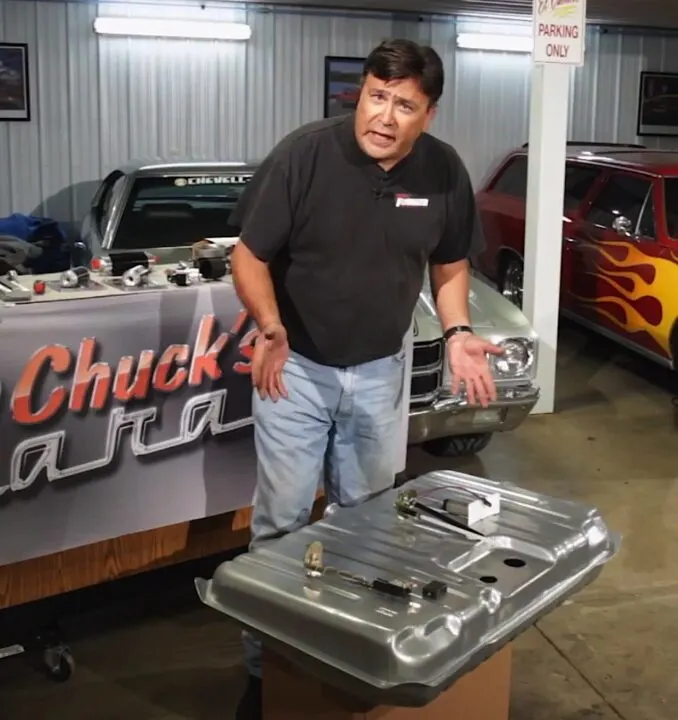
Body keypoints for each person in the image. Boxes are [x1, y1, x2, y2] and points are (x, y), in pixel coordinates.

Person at [228, 37, 504, 720]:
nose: (384, 115)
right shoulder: (305, 155)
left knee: (370, 523)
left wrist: (459, 332)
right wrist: (269, 325)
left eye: (404, 105)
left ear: (428, 114)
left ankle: (349, 658)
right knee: (283, 523)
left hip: (382, 371)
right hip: (295, 371)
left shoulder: (442, 171)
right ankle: (267, 675)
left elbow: (449, 263)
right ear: (361, 94)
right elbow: (248, 255)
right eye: (376, 96)